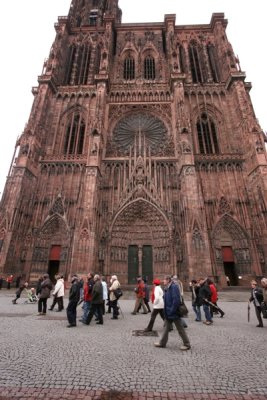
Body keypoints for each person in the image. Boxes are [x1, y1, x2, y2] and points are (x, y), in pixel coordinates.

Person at [154, 275, 191, 350]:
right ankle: (162, 343)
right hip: (168, 312)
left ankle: (187, 344)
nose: (163, 281)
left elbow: (176, 300)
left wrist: (172, 310)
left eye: (164, 280)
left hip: (173, 312)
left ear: (168, 280)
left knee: (180, 329)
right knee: (166, 328)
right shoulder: (167, 287)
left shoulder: (173, 287)